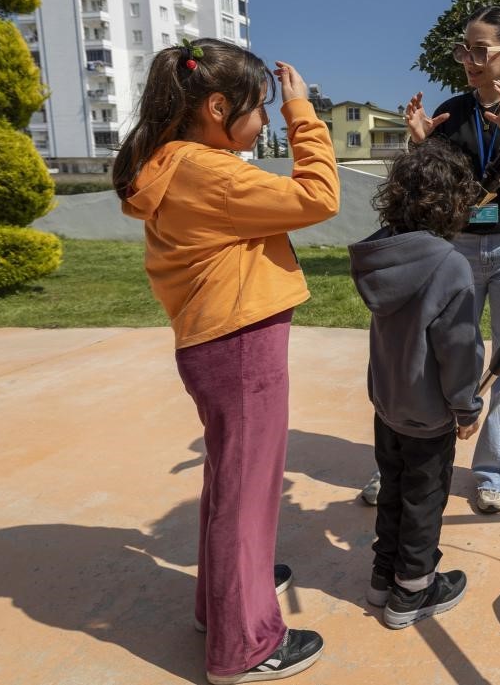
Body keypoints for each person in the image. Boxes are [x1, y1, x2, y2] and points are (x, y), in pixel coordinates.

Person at [113, 39, 339, 685]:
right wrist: (302, 113)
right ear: (217, 108)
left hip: (216, 341)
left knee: (229, 481)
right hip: (240, 342)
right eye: (259, 107)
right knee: (247, 492)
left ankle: (225, 603)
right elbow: (319, 197)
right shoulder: (213, 172)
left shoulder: (176, 162)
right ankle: (245, 645)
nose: (265, 119)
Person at [364, 5, 500, 514]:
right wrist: (420, 142)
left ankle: (497, 470)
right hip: (455, 249)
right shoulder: (451, 111)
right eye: (465, 50)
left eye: (480, 51)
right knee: (434, 355)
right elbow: (433, 185)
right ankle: (412, 462)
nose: (469, 61)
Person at [348, 139, 484, 629]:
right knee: (424, 501)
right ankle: (412, 590)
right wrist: (466, 408)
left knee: (393, 491)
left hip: (387, 405)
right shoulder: (449, 265)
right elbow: (459, 349)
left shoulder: (383, 255)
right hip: (429, 415)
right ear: (454, 203)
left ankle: (382, 576)